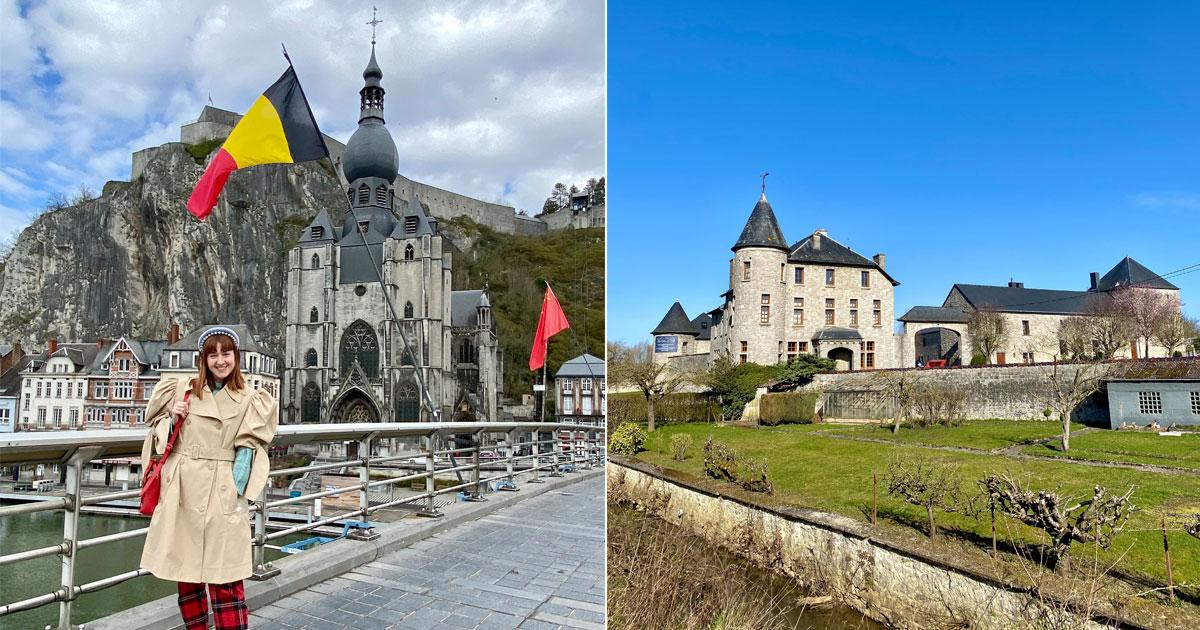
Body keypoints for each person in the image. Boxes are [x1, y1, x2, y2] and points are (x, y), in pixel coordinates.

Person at [139, 326, 278, 630]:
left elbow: (251, 446)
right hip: (184, 489)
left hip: (223, 488)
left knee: (226, 578)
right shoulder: (181, 390)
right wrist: (172, 416)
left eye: (226, 353)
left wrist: (235, 490)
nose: (220, 360)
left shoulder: (252, 398)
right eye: (212, 354)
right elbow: (157, 437)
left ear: (236, 357)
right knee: (187, 575)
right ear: (203, 359)